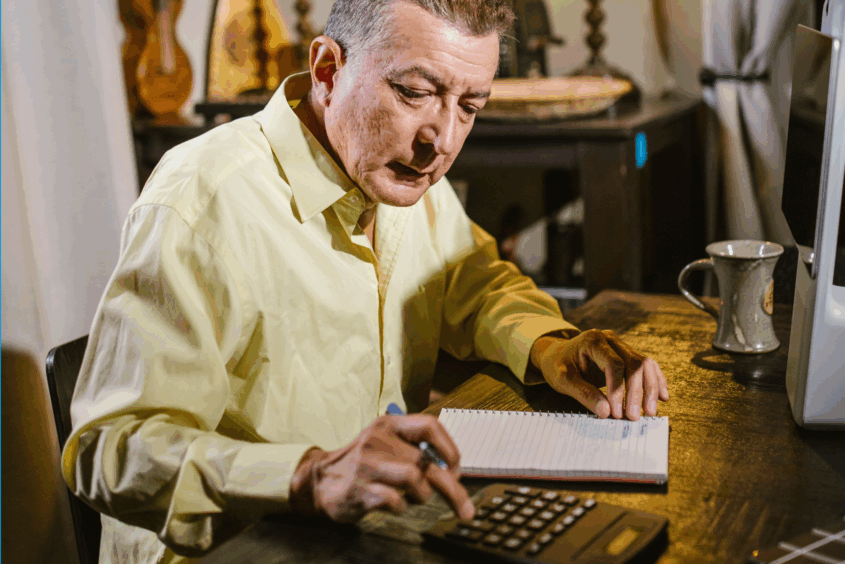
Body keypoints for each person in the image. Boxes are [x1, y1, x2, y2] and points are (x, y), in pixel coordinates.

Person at [61, 0, 669, 562]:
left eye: (470, 106)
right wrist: (308, 474)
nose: (443, 141)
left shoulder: (401, 178)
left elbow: (477, 283)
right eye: (414, 92)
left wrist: (553, 345)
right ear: (327, 70)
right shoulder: (203, 199)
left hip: (365, 539)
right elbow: (108, 451)